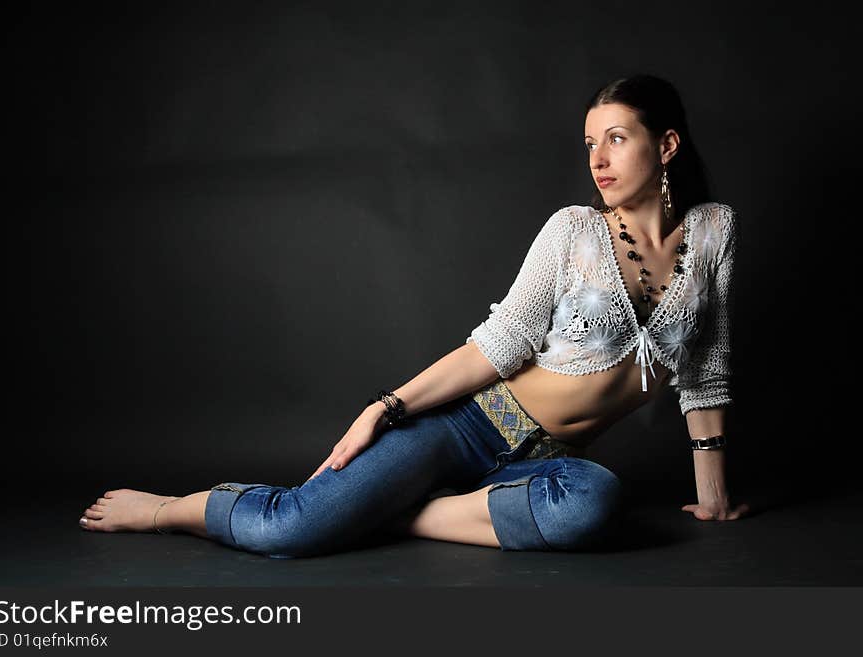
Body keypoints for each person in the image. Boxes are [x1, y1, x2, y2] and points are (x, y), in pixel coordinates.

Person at [78, 74, 750, 557]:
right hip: (464, 429)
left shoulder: (713, 230)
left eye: (616, 138)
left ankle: (393, 515)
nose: (597, 159)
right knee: (290, 530)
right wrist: (387, 405)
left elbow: (705, 363)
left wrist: (712, 493)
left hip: (545, 465)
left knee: (595, 502)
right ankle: (166, 508)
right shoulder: (572, 230)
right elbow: (502, 341)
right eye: (588, 143)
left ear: (666, 145)